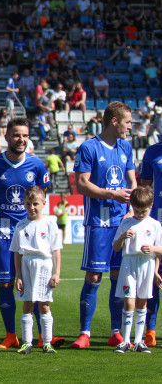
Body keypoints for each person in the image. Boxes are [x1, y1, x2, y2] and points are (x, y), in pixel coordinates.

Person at [0, 118, 59, 350]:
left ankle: (41, 336)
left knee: (36, 283)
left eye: (25, 135)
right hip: (4, 233)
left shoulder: (36, 165)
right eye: (16, 135)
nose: (21, 139)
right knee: (6, 284)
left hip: (32, 234)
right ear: (6, 137)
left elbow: (40, 195)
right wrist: (1, 212)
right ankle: (11, 335)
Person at [70, 102, 136, 349]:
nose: (130, 127)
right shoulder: (88, 147)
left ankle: (115, 332)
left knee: (118, 277)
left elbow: (131, 180)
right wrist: (112, 195)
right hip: (99, 222)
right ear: (115, 121)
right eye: (128, 122)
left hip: (122, 222)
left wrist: (132, 205)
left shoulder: (126, 147)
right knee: (95, 276)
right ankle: (84, 333)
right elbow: (82, 185)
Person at [10, 186, 63, 355]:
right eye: (27, 204)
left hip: (44, 264)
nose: (31, 207)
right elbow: (17, 253)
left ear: (43, 203)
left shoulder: (50, 224)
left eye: (35, 204)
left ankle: (47, 342)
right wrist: (18, 276)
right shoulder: (21, 225)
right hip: (26, 264)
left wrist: (57, 272)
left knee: (44, 304)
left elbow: (56, 250)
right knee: (27, 304)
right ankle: (27, 342)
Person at [110, 186, 162, 354]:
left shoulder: (155, 225)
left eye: (143, 211)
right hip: (129, 264)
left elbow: (160, 249)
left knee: (142, 302)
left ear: (151, 206)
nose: (139, 214)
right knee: (129, 301)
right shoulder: (126, 223)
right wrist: (123, 237)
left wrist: (153, 251)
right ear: (132, 206)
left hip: (146, 265)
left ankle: (139, 341)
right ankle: (126, 341)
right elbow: (116, 247)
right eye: (137, 210)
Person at [139, 137, 162, 346]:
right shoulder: (153, 152)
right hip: (157, 220)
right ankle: (151, 330)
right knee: (154, 277)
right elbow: (144, 187)